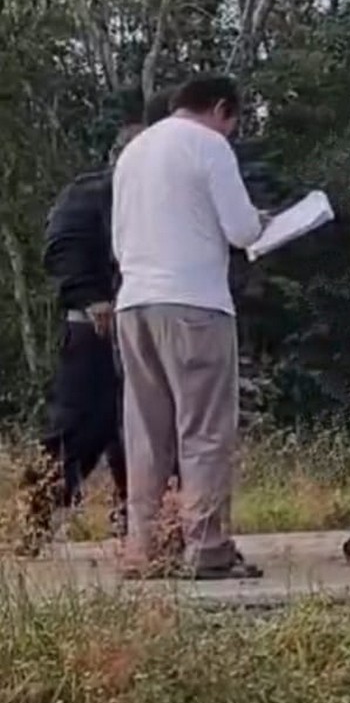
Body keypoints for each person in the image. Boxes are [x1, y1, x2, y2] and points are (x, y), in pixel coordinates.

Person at [111, 74, 266, 580]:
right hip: (195, 302)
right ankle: (206, 545)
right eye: (233, 120)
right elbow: (242, 229)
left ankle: (144, 547)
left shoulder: (135, 151)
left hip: (134, 301)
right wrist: (262, 223)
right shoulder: (209, 145)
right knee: (203, 429)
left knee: (146, 430)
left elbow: (118, 237)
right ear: (222, 108)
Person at [17, 119, 145, 556]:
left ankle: (141, 524)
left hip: (144, 321)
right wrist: (89, 296)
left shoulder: (157, 201)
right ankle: (31, 523)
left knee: (142, 432)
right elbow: (62, 245)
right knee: (76, 430)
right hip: (96, 324)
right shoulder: (89, 193)